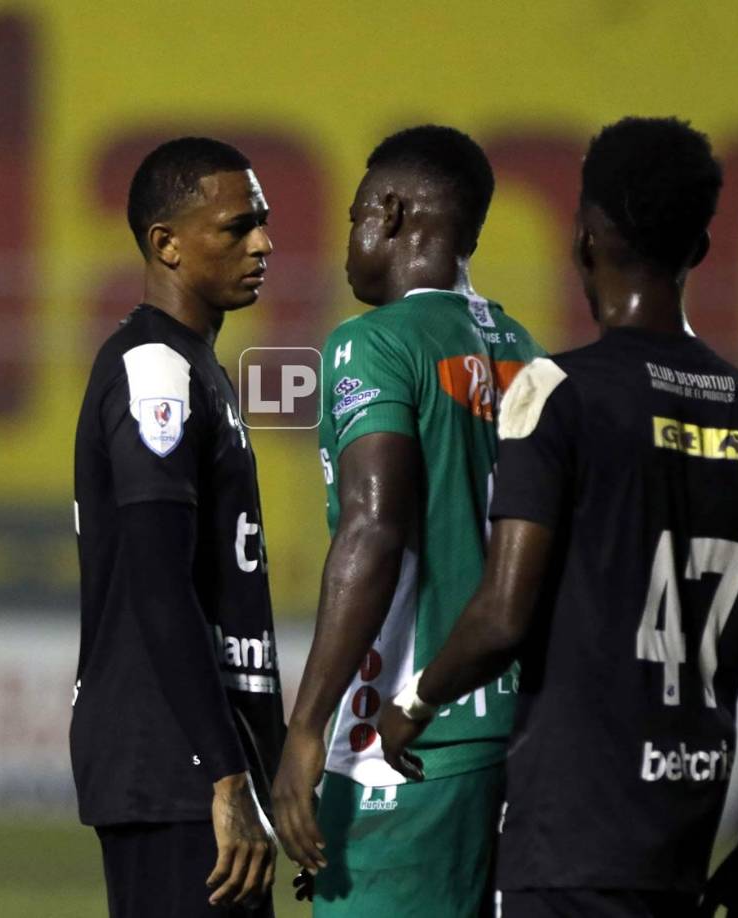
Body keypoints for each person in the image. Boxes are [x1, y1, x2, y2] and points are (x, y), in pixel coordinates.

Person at [379, 116, 738, 918]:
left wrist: (412, 703)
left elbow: (501, 615)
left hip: (566, 835)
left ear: (584, 238)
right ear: (699, 251)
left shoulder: (555, 395)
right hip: (685, 836)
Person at [271, 125, 545, 916]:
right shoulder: (523, 349)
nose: (347, 241)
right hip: (507, 723)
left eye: (355, 215)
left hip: (403, 738)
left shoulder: (375, 345)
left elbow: (373, 528)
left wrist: (306, 725)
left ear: (389, 215)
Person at [71, 137, 286, 918]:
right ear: (166, 244)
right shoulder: (156, 370)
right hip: (175, 767)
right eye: (237, 227)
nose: (263, 242)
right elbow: (159, 585)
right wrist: (225, 774)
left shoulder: (195, 367)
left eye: (262, 222)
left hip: (201, 760)